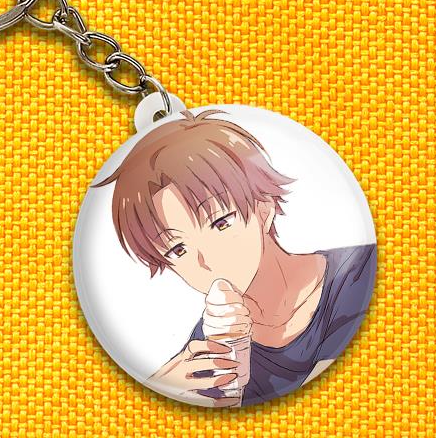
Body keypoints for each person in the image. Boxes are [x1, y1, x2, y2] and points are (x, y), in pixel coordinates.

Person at [91, 109, 376, 407]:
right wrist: (164, 387)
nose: (205, 259)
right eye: (178, 249)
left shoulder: (354, 275)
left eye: (220, 223)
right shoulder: (210, 341)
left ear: (264, 208)